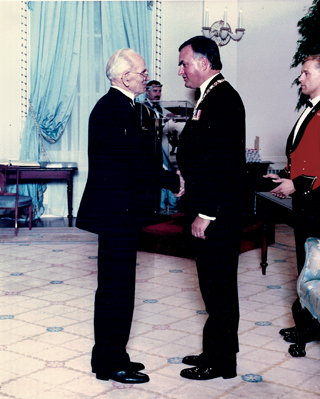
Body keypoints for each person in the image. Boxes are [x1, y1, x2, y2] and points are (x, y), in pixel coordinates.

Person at [76, 48, 183, 384]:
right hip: (116, 213)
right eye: (141, 72)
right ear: (124, 77)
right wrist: (171, 179)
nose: (146, 77)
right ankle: (110, 363)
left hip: (119, 212)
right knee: (116, 288)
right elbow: (134, 166)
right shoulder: (114, 110)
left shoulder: (122, 107)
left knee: (117, 286)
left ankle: (111, 355)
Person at [176, 36, 246, 380]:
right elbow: (201, 154)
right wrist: (184, 173)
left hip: (216, 214)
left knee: (218, 288)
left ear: (204, 63)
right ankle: (216, 352)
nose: (181, 71)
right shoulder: (210, 96)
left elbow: (225, 163)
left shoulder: (224, 99)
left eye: (184, 63)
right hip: (207, 206)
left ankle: (221, 363)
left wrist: (207, 212)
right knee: (213, 287)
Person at [264, 54, 320, 344]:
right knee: (305, 263)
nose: (300, 78)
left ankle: (311, 324)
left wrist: (295, 185)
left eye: (306, 73)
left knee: (314, 266)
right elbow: (304, 156)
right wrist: (285, 176)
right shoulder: (310, 109)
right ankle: (307, 323)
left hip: (317, 203)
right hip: (306, 201)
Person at [144, 80, 180, 215]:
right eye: (155, 91)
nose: (158, 94)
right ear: (147, 91)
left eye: (159, 91)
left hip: (159, 144)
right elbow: (149, 126)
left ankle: (169, 206)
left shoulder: (158, 107)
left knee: (168, 169)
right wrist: (162, 121)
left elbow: (158, 126)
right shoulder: (143, 106)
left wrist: (166, 119)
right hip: (148, 148)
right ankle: (159, 207)